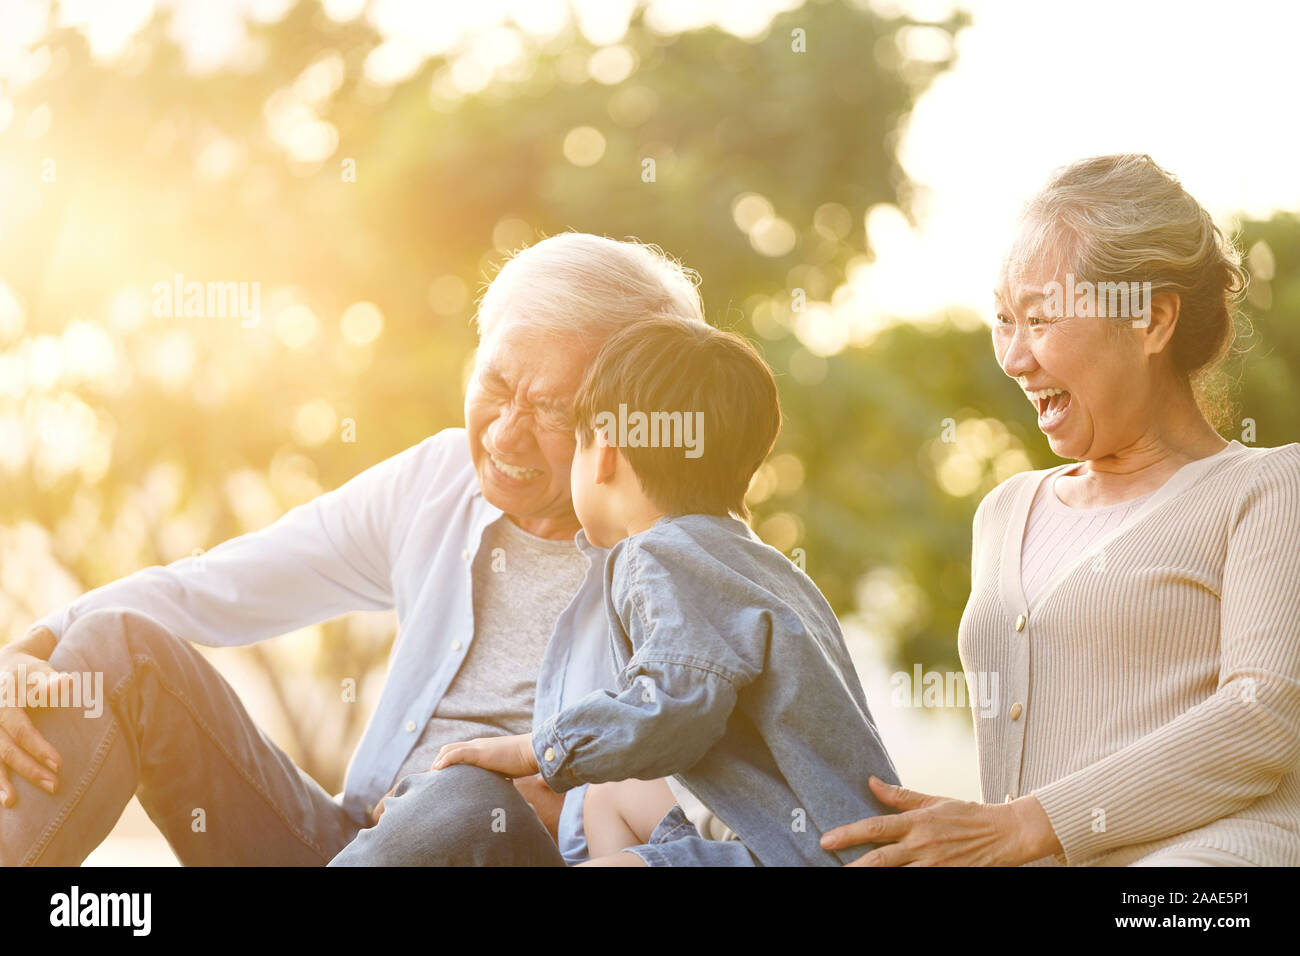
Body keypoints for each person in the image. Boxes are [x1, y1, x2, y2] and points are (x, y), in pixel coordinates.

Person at [0, 232, 711, 866]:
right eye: (495, 384)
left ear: (622, 421)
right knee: (115, 649)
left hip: (503, 851)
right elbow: (217, 586)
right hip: (351, 845)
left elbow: (757, 786)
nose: (504, 435)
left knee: (464, 797)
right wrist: (25, 652)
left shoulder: (686, 567)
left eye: (552, 409)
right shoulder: (438, 481)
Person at [821, 154, 1300, 866]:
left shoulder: (1269, 489)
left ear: (1151, 318)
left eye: (1040, 318)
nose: (1013, 357)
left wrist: (1025, 824)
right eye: (1003, 320)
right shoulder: (1005, 512)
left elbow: (1266, 717)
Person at [432, 316, 901, 866]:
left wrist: (534, 748)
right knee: (606, 796)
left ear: (602, 450)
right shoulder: (763, 565)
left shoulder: (654, 555)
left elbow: (674, 708)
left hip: (793, 853)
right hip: (820, 833)